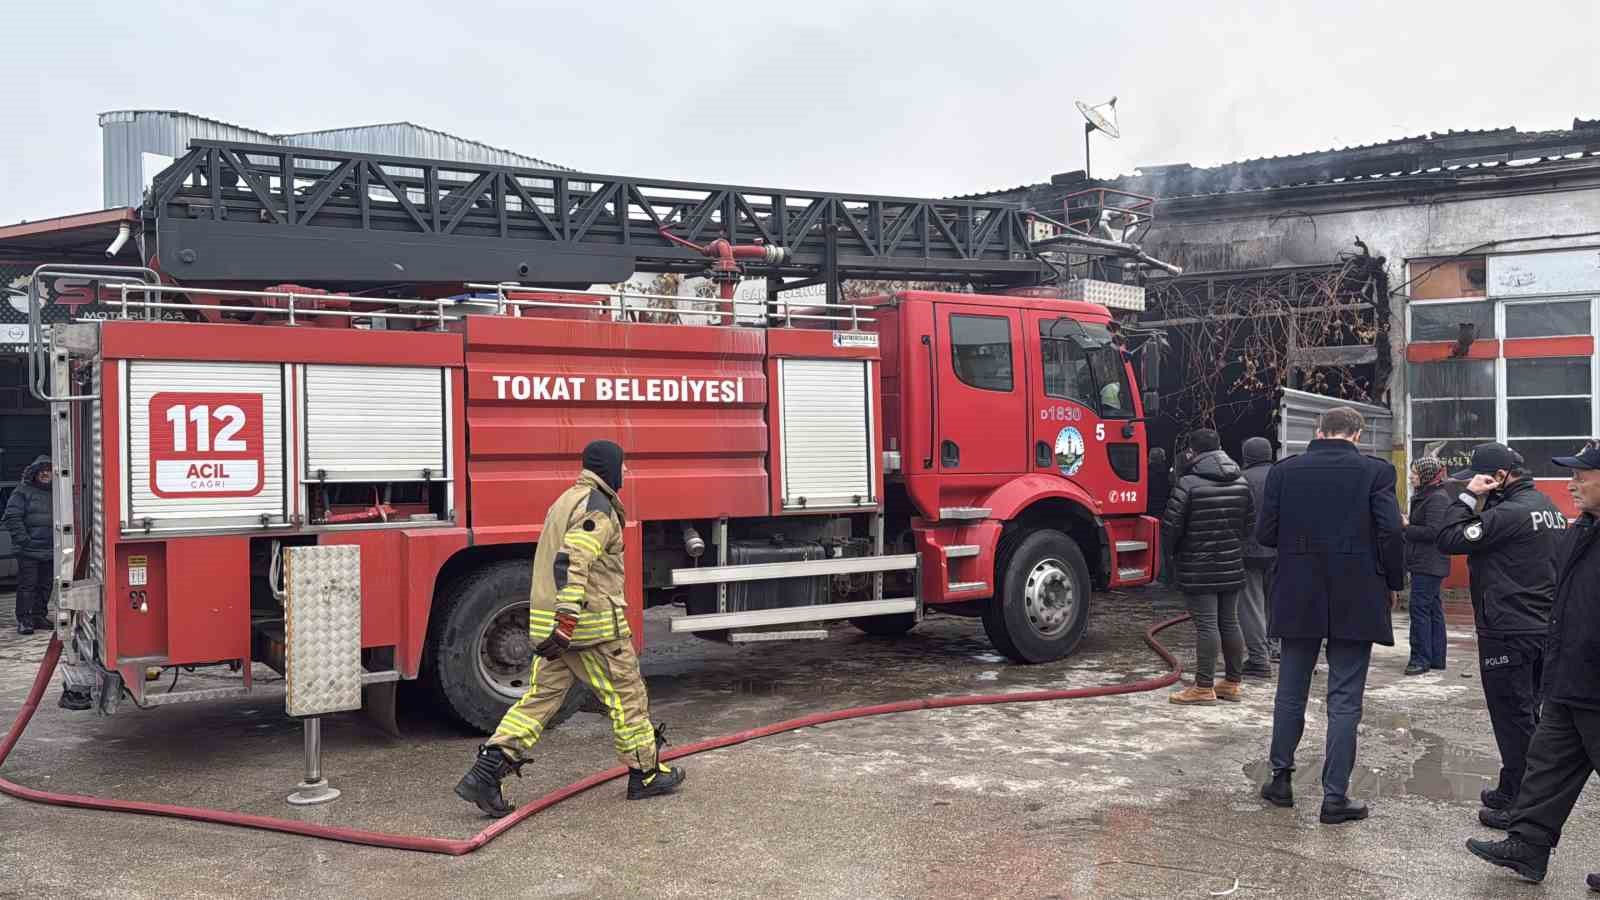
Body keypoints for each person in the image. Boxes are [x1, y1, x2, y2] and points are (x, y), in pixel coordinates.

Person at [454, 440, 684, 817]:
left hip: (558, 631)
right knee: (627, 695)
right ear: (609, 467)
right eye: (622, 465)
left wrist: (559, 625)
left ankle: (487, 770)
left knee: (539, 700)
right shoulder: (598, 506)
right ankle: (645, 774)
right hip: (589, 629)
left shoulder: (567, 500)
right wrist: (568, 619)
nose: (625, 473)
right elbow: (572, 561)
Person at [1256, 407, 1403, 825]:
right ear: (1357, 435)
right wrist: (1393, 581)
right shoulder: (1376, 473)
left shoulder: (1285, 472)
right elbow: (1390, 531)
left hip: (1298, 591)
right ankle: (1334, 797)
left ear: (1318, 431)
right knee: (1344, 698)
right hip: (1357, 592)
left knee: (1290, 691)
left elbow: (1266, 533)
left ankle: (1280, 780)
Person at [1466, 440, 1600, 888]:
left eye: (1583, 475)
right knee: (1546, 763)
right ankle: (1528, 845)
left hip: (1593, 676)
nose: (1572, 483)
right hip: (1568, 670)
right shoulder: (1584, 527)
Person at [1436, 442, 1567, 819]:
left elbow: (1448, 539)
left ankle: (1523, 808)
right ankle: (1513, 788)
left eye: (1478, 479)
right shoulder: (1547, 507)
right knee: (1529, 714)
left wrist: (1466, 497)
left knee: (1514, 719)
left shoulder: (1508, 514)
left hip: (1508, 627)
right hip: (1540, 625)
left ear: (1497, 479)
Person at [1160, 429, 1255, 705]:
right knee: (1229, 621)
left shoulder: (1188, 483)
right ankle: (1232, 683)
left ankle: (1203, 687)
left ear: (1193, 452)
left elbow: (1171, 529)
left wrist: (1173, 557)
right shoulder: (1241, 481)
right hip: (1231, 563)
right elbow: (1249, 524)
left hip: (1197, 566)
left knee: (1206, 625)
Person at [1401, 457, 1453, 675]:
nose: (1411, 476)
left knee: (1420, 609)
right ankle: (1436, 658)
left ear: (1426, 475)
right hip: (1424, 562)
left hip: (1429, 563)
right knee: (1432, 609)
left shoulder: (1437, 499)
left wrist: (1406, 526)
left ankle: (1420, 659)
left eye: (1414, 472)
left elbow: (1434, 532)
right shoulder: (1425, 495)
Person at [1239, 436, 1276, 677]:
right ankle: (1277, 648)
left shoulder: (1240, 480)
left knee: (1251, 606)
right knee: (1276, 602)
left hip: (1248, 551)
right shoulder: (1283, 476)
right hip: (1279, 551)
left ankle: (1258, 658)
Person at [4, 455, 53, 636]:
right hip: (29, 550)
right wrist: (25, 540)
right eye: (42, 471)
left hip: (49, 549)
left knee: (45, 585)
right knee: (27, 586)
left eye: (48, 470)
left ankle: (39, 616)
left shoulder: (57, 493)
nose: (45, 474)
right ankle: (25, 620)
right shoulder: (22, 491)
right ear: (34, 473)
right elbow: (11, 517)